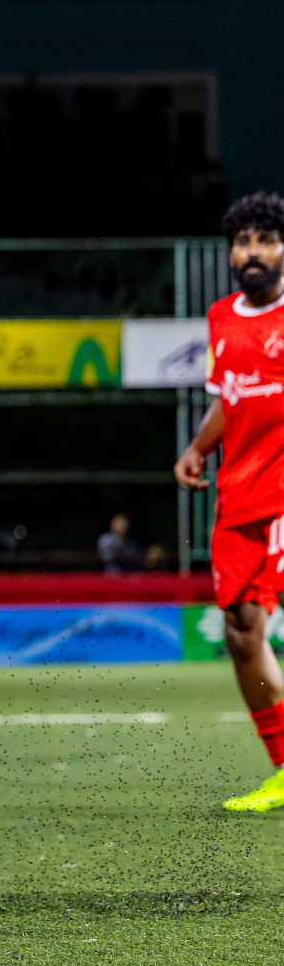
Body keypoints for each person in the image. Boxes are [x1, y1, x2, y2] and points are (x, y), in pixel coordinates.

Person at [175, 191, 284, 813]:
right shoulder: (222, 317)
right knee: (243, 633)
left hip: (280, 495)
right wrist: (197, 449)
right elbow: (229, 397)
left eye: (265, 239)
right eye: (242, 241)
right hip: (237, 495)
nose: (251, 252)